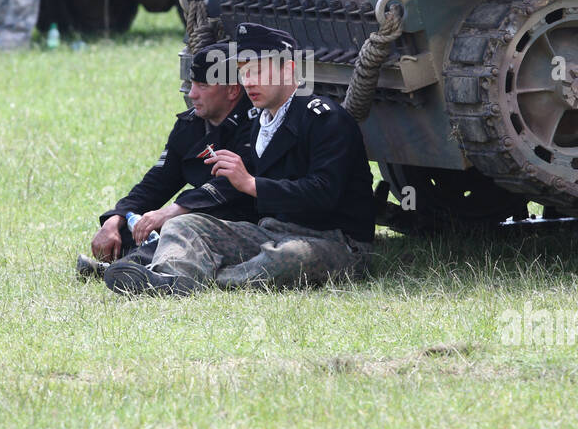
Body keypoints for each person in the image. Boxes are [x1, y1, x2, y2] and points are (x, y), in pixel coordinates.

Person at [104, 23, 376, 296]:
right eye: (244, 72)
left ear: (289, 69)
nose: (249, 81)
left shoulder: (325, 119)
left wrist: (250, 183)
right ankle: (172, 276)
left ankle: (208, 279)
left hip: (336, 240)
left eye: (258, 70)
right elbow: (163, 179)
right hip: (273, 232)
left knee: (287, 258)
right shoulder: (262, 121)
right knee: (184, 224)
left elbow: (323, 193)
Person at [79, 41, 257, 279]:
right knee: (135, 226)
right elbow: (159, 180)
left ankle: (134, 270)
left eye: (203, 85)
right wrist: (117, 217)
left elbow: (229, 188)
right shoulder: (191, 125)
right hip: (195, 214)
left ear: (233, 90)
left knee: (179, 228)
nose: (192, 93)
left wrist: (172, 212)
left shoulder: (254, 124)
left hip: (241, 220)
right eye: (192, 84)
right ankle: (128, 263)